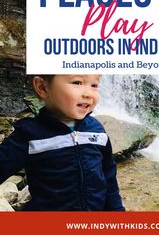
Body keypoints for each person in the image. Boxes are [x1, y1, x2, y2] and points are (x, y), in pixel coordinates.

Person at [0, 75, 125, 211]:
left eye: (94, 85)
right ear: (42, 87)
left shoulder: (97, 130)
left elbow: (109, 178)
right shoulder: (29, 135)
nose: (89, 94)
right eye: (77, 83)